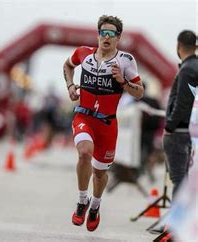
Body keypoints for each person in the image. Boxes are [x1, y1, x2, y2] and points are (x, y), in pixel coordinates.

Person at [62, 15, 144, 231]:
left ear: (118, 38)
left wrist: (123, 82)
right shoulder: (83, 53)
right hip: (84, 116)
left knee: (99, 172)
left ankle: (95, 205)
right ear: (98, 35)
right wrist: (70, 86)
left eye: (111, 34)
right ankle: (82, 201)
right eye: (103, 33)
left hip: (107, 124)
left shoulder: (126, 60)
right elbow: (67, 65)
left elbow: (140, 92)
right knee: (84, 152)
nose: (106, 37)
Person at [164, 30, 198, 197]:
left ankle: (177, 223)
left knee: (179, 180)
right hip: (192, 130)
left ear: (178, 45)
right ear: (196, 46)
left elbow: (182, 103)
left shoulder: (186, 69)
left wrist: (169, 126)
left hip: (180, 131)